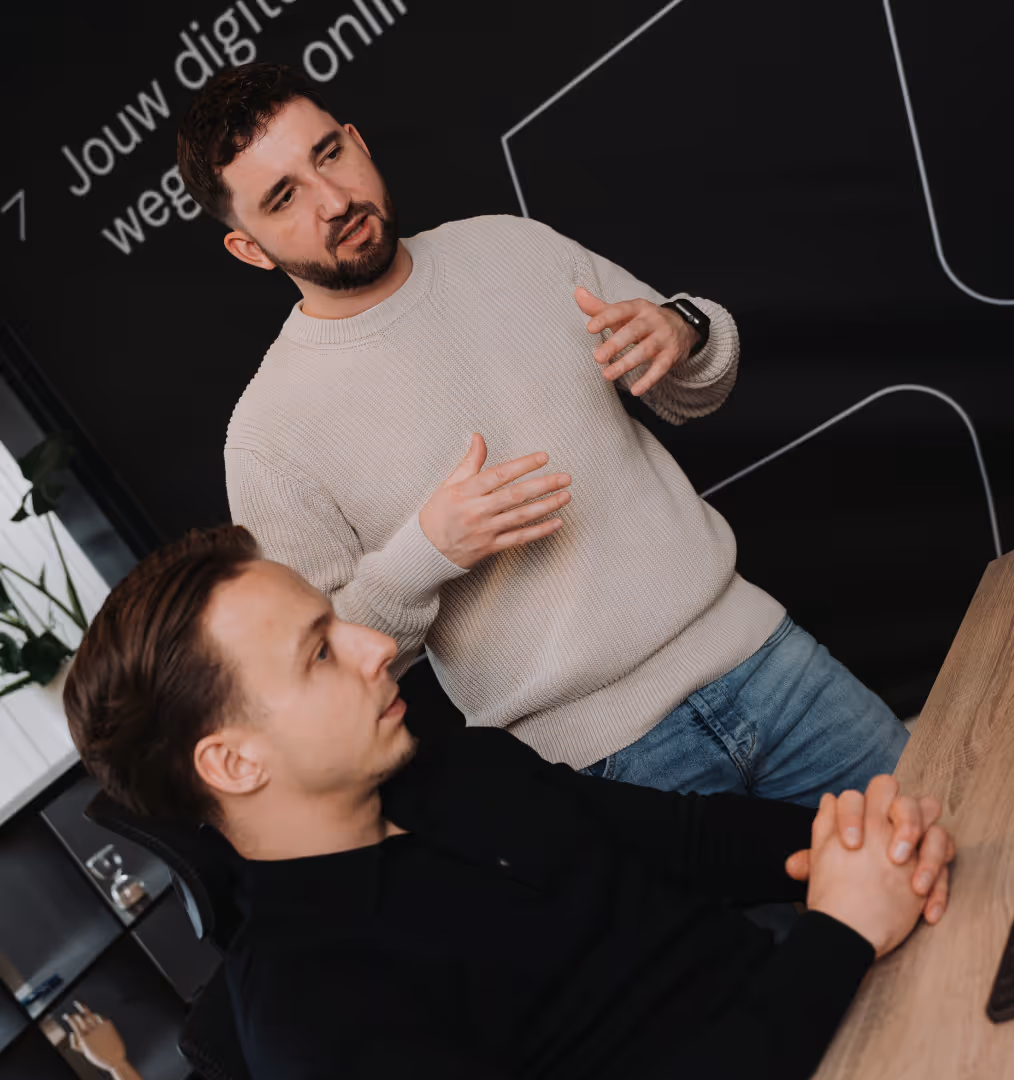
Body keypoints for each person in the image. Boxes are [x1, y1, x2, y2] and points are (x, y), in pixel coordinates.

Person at [176, 62, 909, 810]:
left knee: (982, 856)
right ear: (250, 249)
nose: (333, 200)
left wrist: (682, 329)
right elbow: (319, 665)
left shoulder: (508, 246)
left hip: (763, 657)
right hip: (606, 771)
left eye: (328, 153)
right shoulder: (270, 435)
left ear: (358, 140)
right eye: (283, 197)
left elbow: (699, 390)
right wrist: (423, 555)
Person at [64, 526, 955, 1080]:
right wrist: (840, 932)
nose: (376, 645)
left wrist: (867, 846)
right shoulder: (313, 1017)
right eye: (320, 653)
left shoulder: (463, 770)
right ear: (233, 761)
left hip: (856, 1013)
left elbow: (694, 841)